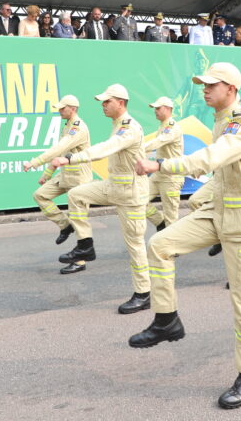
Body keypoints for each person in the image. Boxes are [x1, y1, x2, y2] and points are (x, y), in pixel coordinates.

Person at [129, 62, 241, 410]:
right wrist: (203, 200)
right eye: (202, 85)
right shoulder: (220, 121)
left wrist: (161, 166)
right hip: (218, 212)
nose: (204, 89)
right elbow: (226, 173)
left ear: (231, 89)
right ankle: (166, 320)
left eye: (211, 85)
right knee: (159, 245)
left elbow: (211, 158)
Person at [50, 84, 150, 313]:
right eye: (102, 102)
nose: (103, 105)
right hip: (115, 186)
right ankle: (85, 246)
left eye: (107, 101)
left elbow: (108, 147)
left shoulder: (129, 127)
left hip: (131, 193)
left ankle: (143, 294)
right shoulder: (117, 125)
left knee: (135, 245)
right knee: (76, 194)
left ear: (121, 103)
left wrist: (71, 159)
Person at [24, 95, 93, 273]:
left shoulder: (78, 128)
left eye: (63, 108)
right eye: (60, 108)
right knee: (40, 195)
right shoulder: (68, 126)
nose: (60, 111)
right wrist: (46, 174)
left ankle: (80, 262)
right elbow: (59, 155)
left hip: (79, 180)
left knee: (80, 220)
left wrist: (35, 162)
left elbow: (58, 149)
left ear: (73, 109)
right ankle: (64, 225)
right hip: (65, 176)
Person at [143, 97, 184, 231]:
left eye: (158, 108)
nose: (155, 111)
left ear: (167, 109)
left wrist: (139, 148)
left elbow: (159, 142)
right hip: (159, 174)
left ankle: (172, 247)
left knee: (171, 215)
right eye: (155, 108)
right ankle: (160, 223)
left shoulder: (171, 127)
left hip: (171, 177)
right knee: (139, 199)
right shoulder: (163, 126)